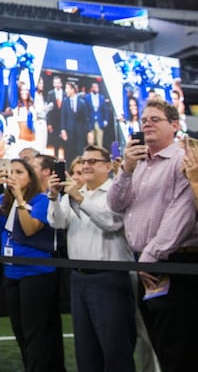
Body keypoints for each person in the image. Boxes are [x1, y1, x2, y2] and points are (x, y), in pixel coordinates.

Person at [108, 100, 198, 372]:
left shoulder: (184, 159)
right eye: (144, 120)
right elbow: (115, 204)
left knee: (180, 351)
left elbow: (181, 216)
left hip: (174, 264)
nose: (146, 123)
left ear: (174, 125)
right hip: (147, 264)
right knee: (160, 345)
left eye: (155, 119)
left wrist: (149, 258)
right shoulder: (139, 164)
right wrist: (126, 169)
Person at [47, 145, 136, 372]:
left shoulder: (117, 192)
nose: (86, 165)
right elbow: (57, 222)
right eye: (84, 161)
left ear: (108, 166)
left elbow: (111, 223)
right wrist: (55, 198)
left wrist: (78, 197)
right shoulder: (78, 192)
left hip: (110, 277)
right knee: (86, 351)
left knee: (116, 351)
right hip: (79, 278)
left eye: (93, 161)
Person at [0, 158, 65, 372]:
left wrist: (19, 198)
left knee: (34, 331)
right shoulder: (2, 199)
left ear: (30, 177)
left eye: (19, 172)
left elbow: (29, 229)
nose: (13, 176)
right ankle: (31, 366)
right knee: (18, 329)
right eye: (11, 172)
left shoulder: (41, 200)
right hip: (11, 272)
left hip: (37, 273)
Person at [61, 81, 91, 161]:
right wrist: (63, 130)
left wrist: (88, 132)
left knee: (79, 155)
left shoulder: (82, 103)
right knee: (68, 155)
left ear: (73, 89)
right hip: (69, 133)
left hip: (80, 134)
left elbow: (85, 119)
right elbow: (63, 117)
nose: (66, 90)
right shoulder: (65, 102)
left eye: (67, 88)